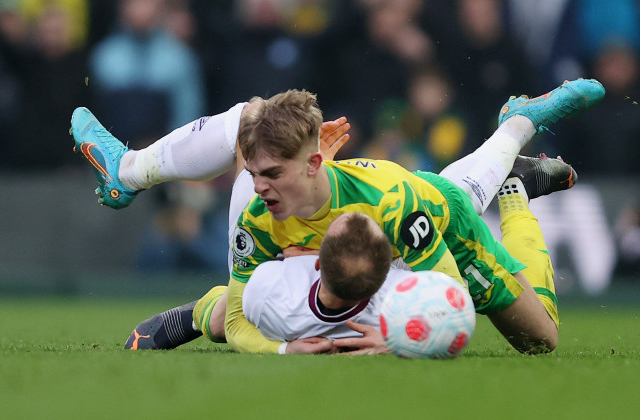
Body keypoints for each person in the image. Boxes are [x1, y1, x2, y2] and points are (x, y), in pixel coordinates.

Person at [72, 79, 605, 354]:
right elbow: (242, 318)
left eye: (272, 175)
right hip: (356, 249)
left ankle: (514, 174)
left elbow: (447, 295)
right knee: (250, 117)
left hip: (440, 235)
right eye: (253, 173)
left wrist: (401, 337)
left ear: (313, 164)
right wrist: (284, 351)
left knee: (540, 340)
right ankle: (131, 171)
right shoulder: (259, 206)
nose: (257, 187)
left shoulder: (393, 199)